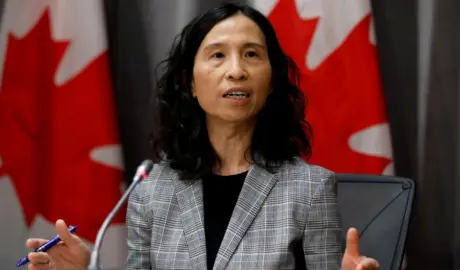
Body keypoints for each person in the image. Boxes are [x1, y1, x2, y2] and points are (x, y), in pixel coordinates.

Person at [26, 3, 380, 270]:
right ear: (190, 83)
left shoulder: (310, 188)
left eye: (252, 55)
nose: (237, 71)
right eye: (217, 56)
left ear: (271, 81)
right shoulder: (150, 192)